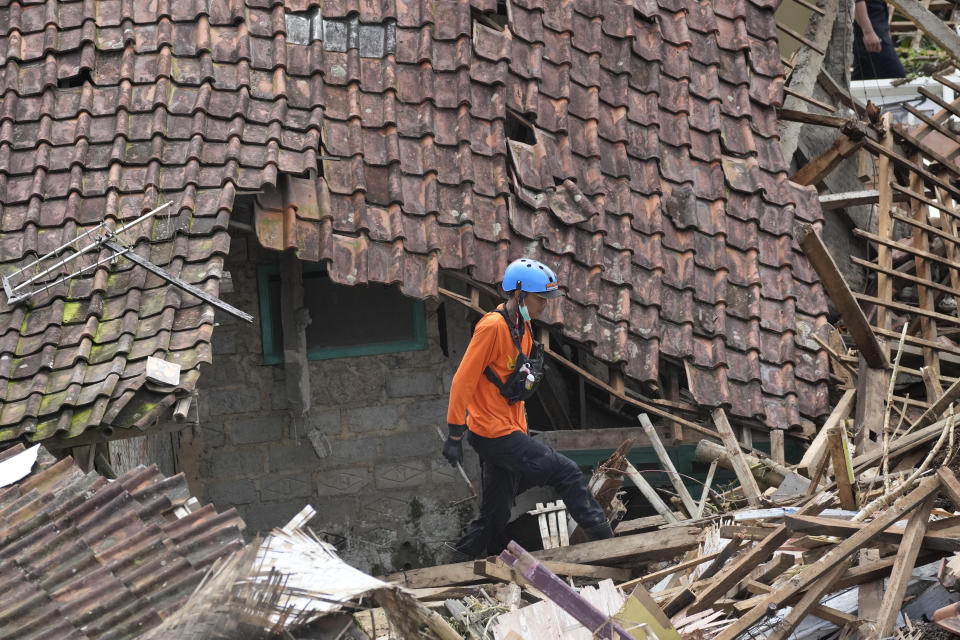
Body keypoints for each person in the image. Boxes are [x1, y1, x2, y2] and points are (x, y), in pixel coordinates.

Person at [441, 258, 613, 560]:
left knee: (494, 515)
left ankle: (452, 565)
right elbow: (462, 381)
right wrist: (455, 433)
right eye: (539, 299)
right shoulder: (491, 327)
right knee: (567, 472)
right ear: (519, 295)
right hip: (492, 433)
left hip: (510, 429)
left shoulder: (523, 327)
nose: (544, 306)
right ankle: (609, 544)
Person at [853, 0, 906, 80]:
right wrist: (868, 32)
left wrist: (885, 29)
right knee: (896, 77)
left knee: (864, 78)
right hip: (872, 30)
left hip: (876, 28)